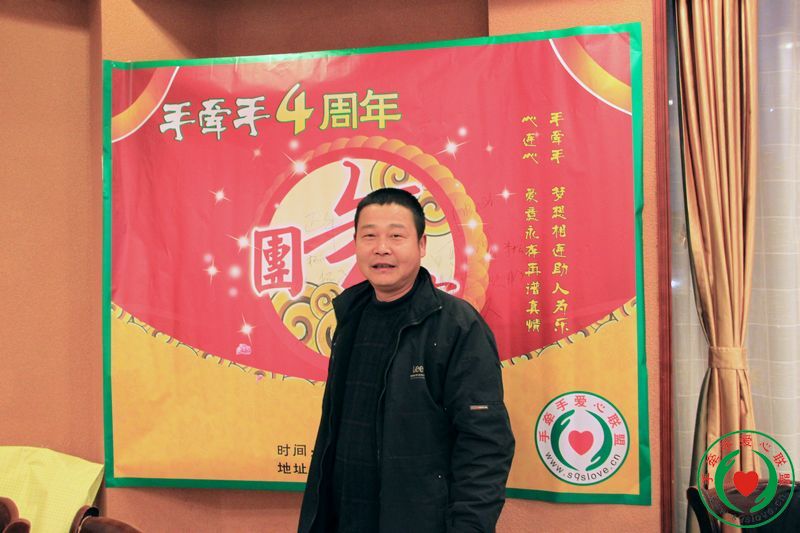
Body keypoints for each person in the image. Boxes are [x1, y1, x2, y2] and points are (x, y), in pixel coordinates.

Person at [298, 188, 515, 533]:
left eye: (396, 236)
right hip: (343, 517)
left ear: (422, 245)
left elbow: (485, 442)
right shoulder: (350, 316)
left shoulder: (457, 325)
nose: (381, 248)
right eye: (369, 236)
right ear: (355, 244)